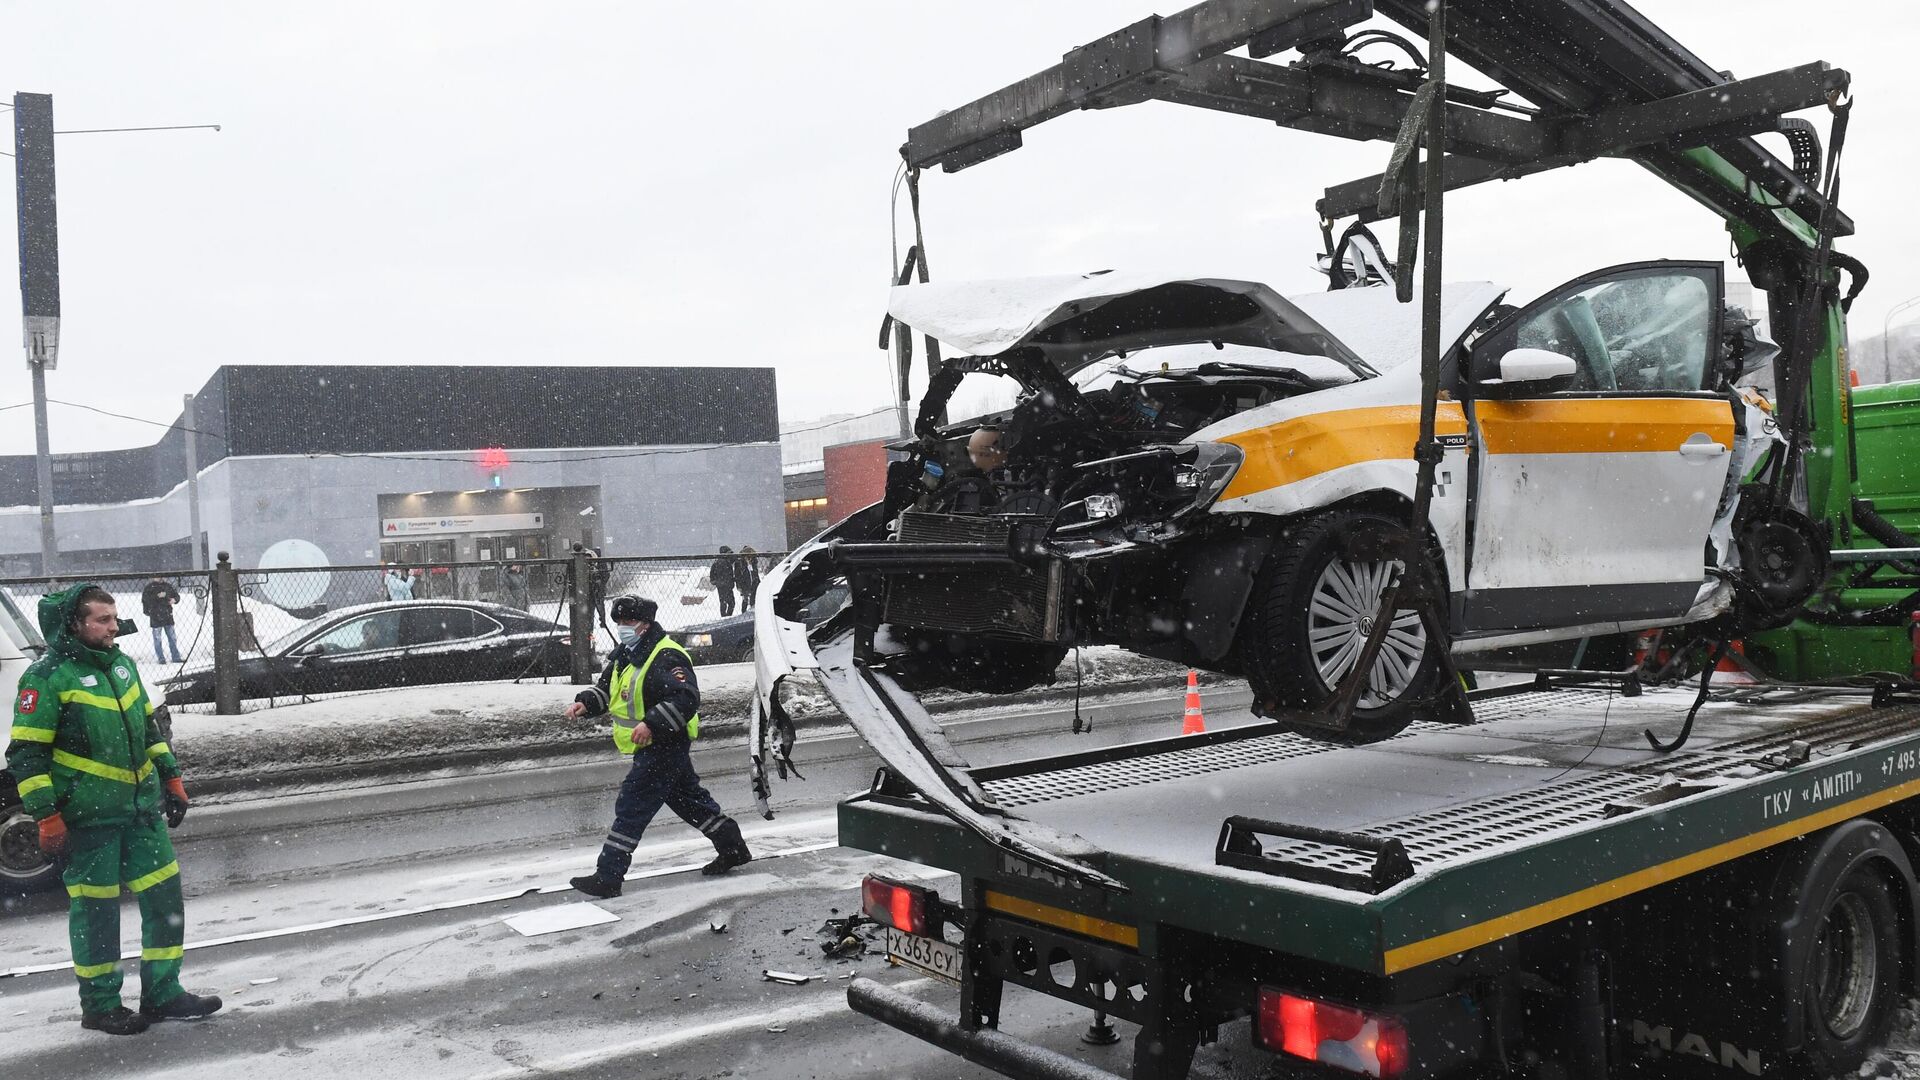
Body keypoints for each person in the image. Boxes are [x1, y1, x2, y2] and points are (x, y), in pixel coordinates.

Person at [5, 585, 221, 1034]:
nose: (113, 626)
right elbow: (25, 755)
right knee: (96, 913)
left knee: (164, 900)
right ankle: (100, 1005)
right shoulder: (47, 678)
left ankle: (163, 993)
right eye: (102, 620)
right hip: (89, 819)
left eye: (113, 617)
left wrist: (171, 777)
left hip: (141, 811)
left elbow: (146, 728)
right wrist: (46, 815)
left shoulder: (122, 666)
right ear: (75, 625)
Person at [566, 594, 751, 898]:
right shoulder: (624, 654)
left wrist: (652, 723)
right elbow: (608, 691)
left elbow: (685, 698)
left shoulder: (666, 655)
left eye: (629, 622)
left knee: (632, 805)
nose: (623, 627)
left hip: (665, 742)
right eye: (619, 622)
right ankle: (733, 847)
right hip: (653, 744)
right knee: (688, 800)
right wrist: (585, 704)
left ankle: (608, 876)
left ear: (646, 624)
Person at [140, 577, 185, 665]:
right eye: (157, 576)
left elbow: (176, 596)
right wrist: (157, 598)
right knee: (158, 639)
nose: (160, 578)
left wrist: (174, 600)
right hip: (156, 616)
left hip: (167, 615)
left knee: (172, 638)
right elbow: (145, 601)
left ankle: (175, 657)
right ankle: (161, 658)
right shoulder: (149, 588)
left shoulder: (167, 586)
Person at [709, 546, 738, 618]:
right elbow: (734, 561)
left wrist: (716, 581)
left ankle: (724, 616)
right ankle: (728, 616)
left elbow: (712, 575)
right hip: (727, 585)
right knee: (731, 603)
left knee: (723, 602)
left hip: (721, 586)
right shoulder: (727, 561)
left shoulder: (716, 562)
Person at [736, 546, 760, 612]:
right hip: (744, 584)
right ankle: (743, 614)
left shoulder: (754, 563)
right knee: (745, 600)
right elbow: (737, 576)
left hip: (754, 584)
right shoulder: (739, 563)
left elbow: (756, 573)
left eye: (751, 556)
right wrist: (739, 586)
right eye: (748, 556)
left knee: (753, 600)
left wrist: (758, 582)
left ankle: (752, 612)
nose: (749, 558)